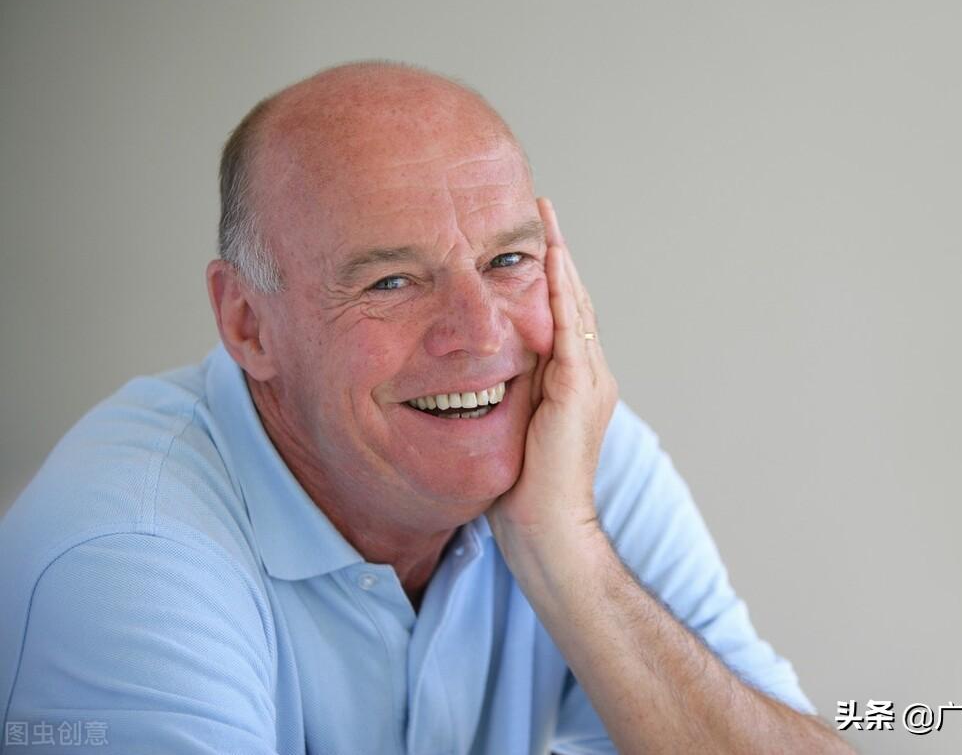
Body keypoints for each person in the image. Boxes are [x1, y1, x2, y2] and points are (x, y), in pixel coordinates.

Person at [0, 62, 851, 754]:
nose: (481, 335)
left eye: (508, 261)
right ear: (248, 323)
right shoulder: (126, 552)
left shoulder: (566, 450)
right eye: (392, 281)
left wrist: (568, 551)